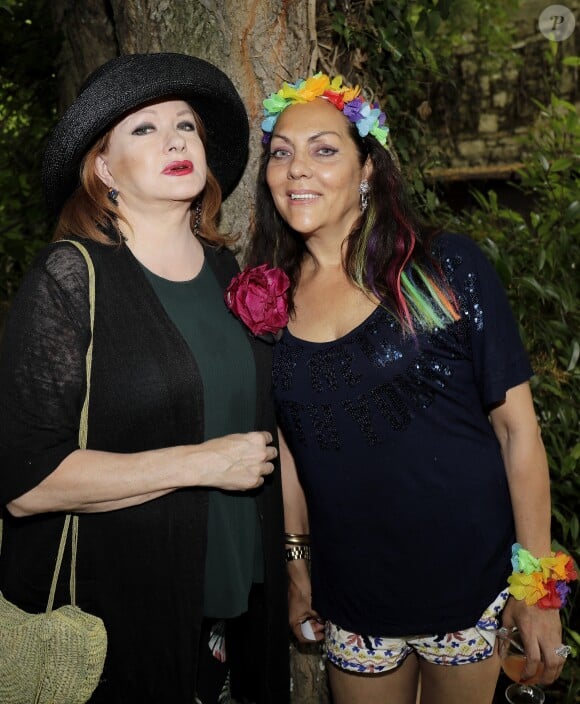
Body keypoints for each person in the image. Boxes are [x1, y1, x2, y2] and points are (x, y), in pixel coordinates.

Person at [247, 73, 574, 704]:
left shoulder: (440, 270)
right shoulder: (270, 301)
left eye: (324, 149)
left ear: (366, 167)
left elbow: (518, 431)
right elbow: (291, 449)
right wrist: (297, 570)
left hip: (470, 590)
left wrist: (538, 592)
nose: (296, 170)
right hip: (355, 600)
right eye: (281, 152)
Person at [0, 52, 290, 704]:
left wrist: (293, 560)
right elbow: (25, 483)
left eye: (185, 126)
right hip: (121, 624)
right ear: (104, 168)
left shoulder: (226, 271)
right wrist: (200, 463)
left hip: (230, 614)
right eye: (144, 129)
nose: (175, 140)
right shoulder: (69, 278)